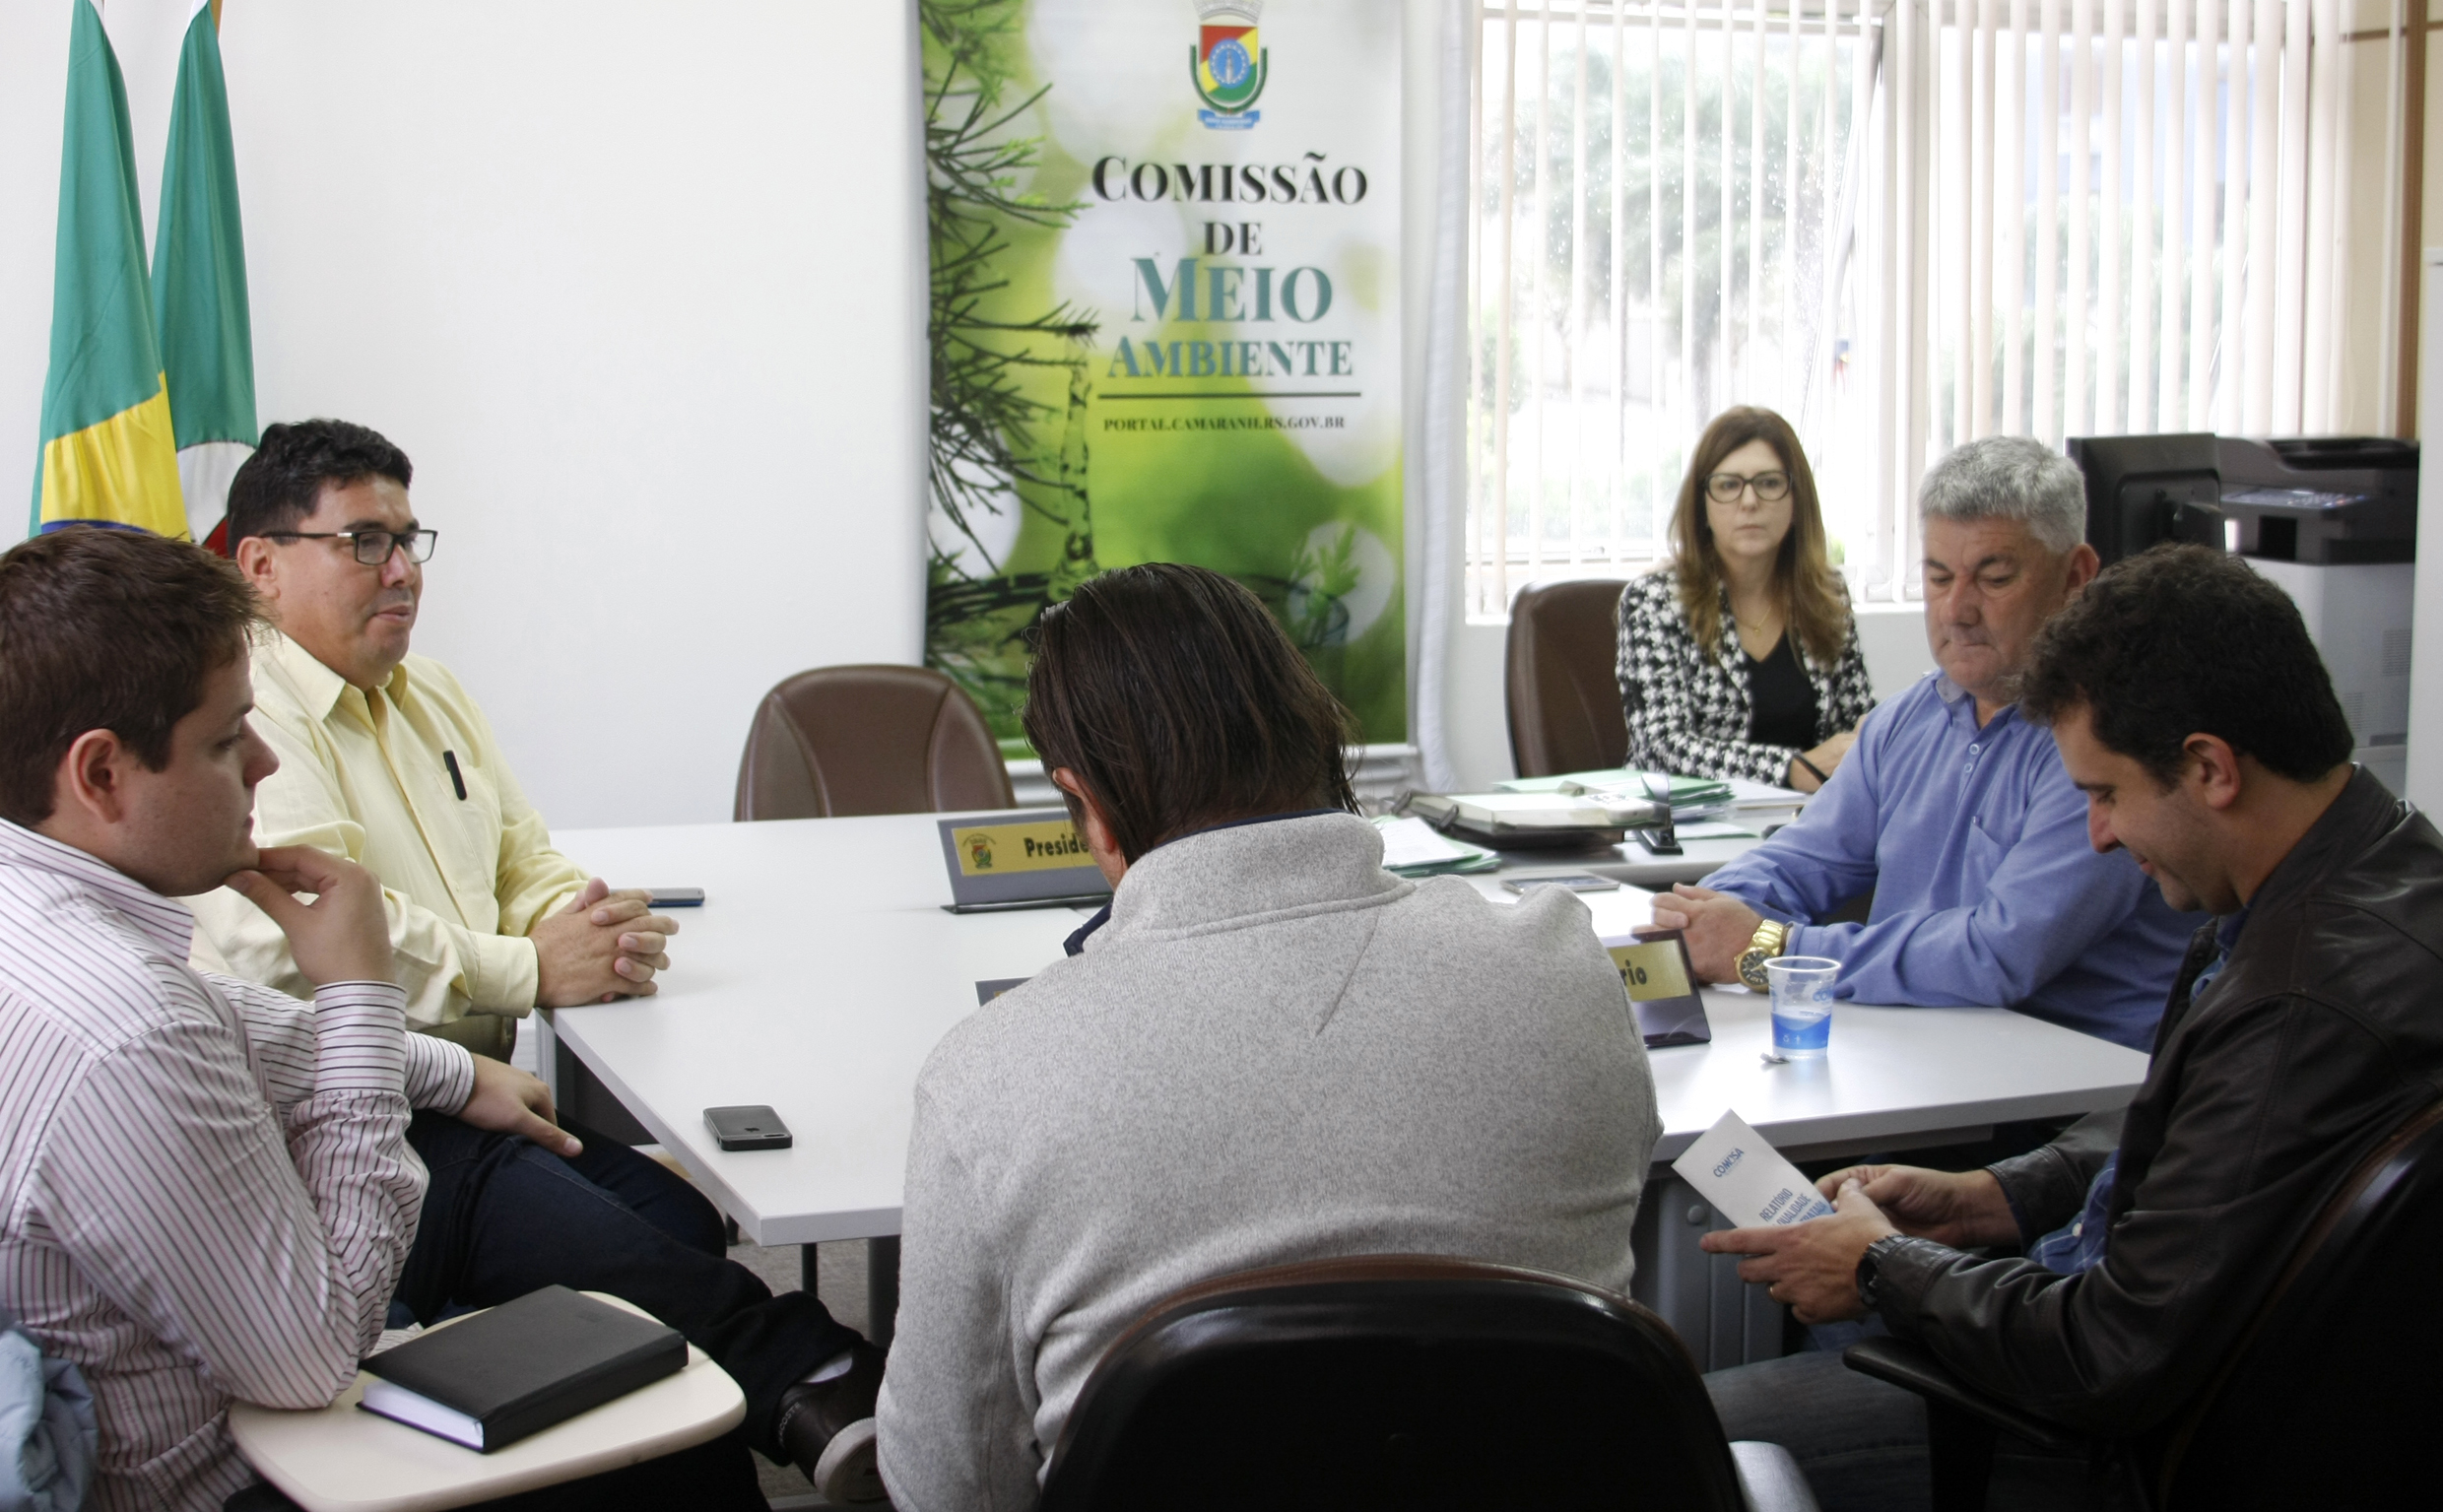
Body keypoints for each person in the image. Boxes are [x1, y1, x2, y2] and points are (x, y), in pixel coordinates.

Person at [0, 528, 883, 1512]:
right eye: (222, 741)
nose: (260, 760)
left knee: (490, 1159)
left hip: (211, 1353)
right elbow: (313, 1355)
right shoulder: (130, 1031)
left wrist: (458, 1073)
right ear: (101, 774)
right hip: (235, 1473)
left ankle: (810, 1380)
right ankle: (822, 1386)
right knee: (672, 1428)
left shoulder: (40, 913)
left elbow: (239, 1016)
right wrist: (360, 990)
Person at [875, 563, 1663, 1511]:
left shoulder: (989, 1079)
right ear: (1311, 732)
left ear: (1085, 801)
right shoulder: (1562, 970)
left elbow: (949, 1486)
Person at [1698, 544, 2443, 1511]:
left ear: (2209, 766)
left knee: (1668, 1426)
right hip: (2119, 1347)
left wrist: (1883, 1267)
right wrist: (1991, 1196)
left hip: (2088, 1441)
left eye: (2103, 794)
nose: (2095, 833)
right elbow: (2197, 1138)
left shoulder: (2298, 1001)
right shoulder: (2364, 872)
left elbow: (2109, 1345)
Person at [1653, 435, 2198, 1049]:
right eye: (1938, 578)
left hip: (2062, 1097)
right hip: (1918, 1062)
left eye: (1994, 578)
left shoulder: (2106, 744)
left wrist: (1766, 950)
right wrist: (1699, 915)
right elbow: (1803, 859)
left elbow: (1997, 954)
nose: (1957, 609)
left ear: (2075, 577)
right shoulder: (1908, 720)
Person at [186, 418, 666, 1060]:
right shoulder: (242, 713)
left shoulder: (433, 690)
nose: (402, 572)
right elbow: (307, 935)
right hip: (361, 1111)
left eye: (408, 542)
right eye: (365, 542)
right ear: (262, 565)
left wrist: (597, 929)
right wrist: (530, 967)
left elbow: (520, 862)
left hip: (485, 1088)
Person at [1616, 406, 1877, 790]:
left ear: (1795, 499)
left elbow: (1855, 726)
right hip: (1690, 831)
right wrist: (1790, 768)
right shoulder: (1654, 602)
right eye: (1728, 485)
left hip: (1806, 824)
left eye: (1769, 483)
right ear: (1702, 504)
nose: (1749, 501)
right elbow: (1661, 748)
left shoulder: (1827, 596)